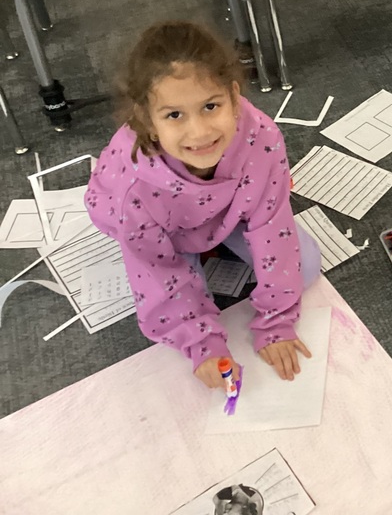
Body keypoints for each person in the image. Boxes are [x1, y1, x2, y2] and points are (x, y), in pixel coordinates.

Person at [85, 21, 321, 388]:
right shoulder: (133, 189)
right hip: (163, 226)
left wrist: (276, 321)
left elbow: (273, 224)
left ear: (233, 95)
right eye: (174, 115)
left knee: (305, 267)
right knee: (177, 290)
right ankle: (202, 255)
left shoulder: (262, 138)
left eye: (211, 106)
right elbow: (155, 267)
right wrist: (202, 343)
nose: (199, 132)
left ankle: (212, 242)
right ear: (147, 120)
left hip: (223, 212)